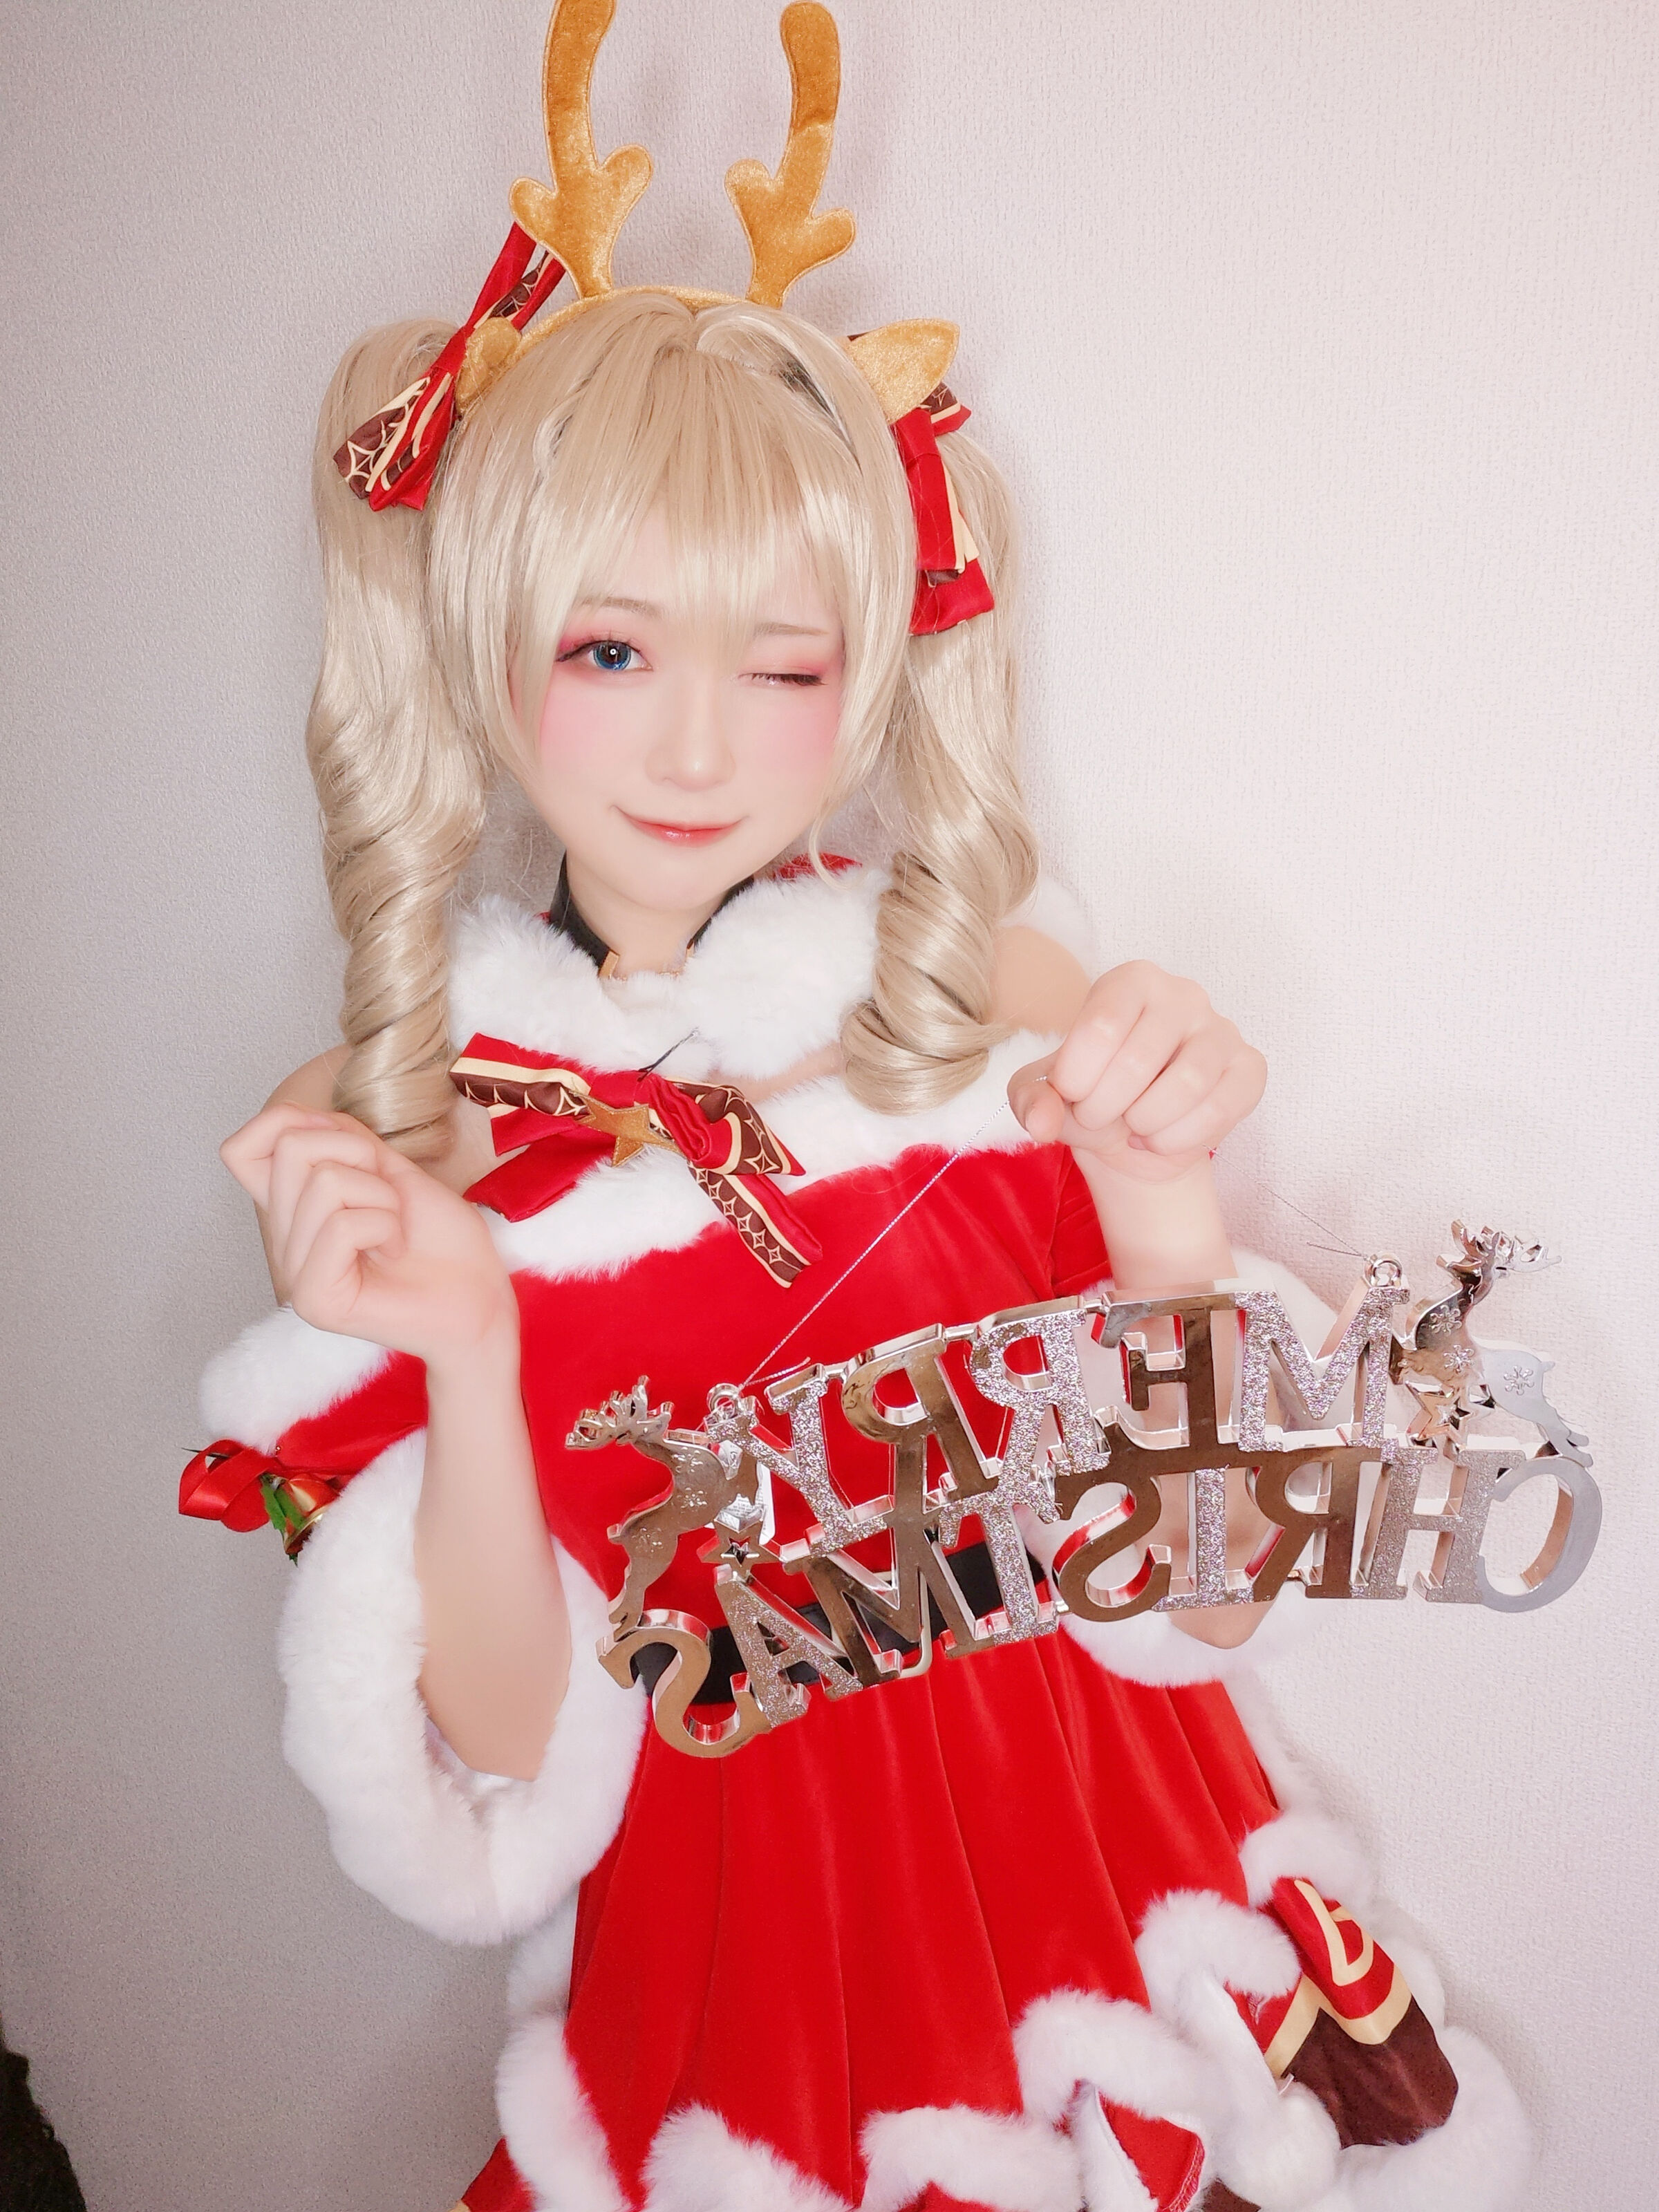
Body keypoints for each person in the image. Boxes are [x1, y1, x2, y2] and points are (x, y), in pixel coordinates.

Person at [185, 7, 1530, 2206]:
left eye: (786, 663)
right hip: (751, 1979)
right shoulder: (388, 1128)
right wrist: (469, 1344)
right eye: (614, 651)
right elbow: (508, 1775)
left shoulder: (987, 1003)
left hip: (1116, 1868)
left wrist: (1162, 1204)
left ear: (874, 673)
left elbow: (1203, 1611)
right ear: (485, 645)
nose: (698, 747)